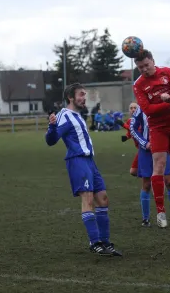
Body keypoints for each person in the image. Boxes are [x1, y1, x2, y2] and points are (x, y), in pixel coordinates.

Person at [45, 83, 122, 257]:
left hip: (89, 161)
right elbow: (51, 140)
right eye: (81, 94)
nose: (84, 98)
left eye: (84, 94)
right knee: (87, 199)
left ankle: (105, 242)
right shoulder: (64, 115)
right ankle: (95, 243)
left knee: (102, 199)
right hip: (77, 161)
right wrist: (51, 126)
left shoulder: (78, 116)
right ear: (71, 97)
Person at [133, 49, 170, 228]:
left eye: (146, 65)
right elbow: (147, 110)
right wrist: (168, 104)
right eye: (140, 67)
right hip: (157, 127)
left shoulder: (168, 72)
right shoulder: (138, 84)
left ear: (153, 61)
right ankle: (161, 212)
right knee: (159, 166)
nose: (144, 70)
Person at [129, 103, 170, 227]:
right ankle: (146, 219)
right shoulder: (141, 108)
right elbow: (133, 128)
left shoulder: (164, 105)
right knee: (146, 184)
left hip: (162, 149)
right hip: (146, 152)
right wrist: (144, 143)